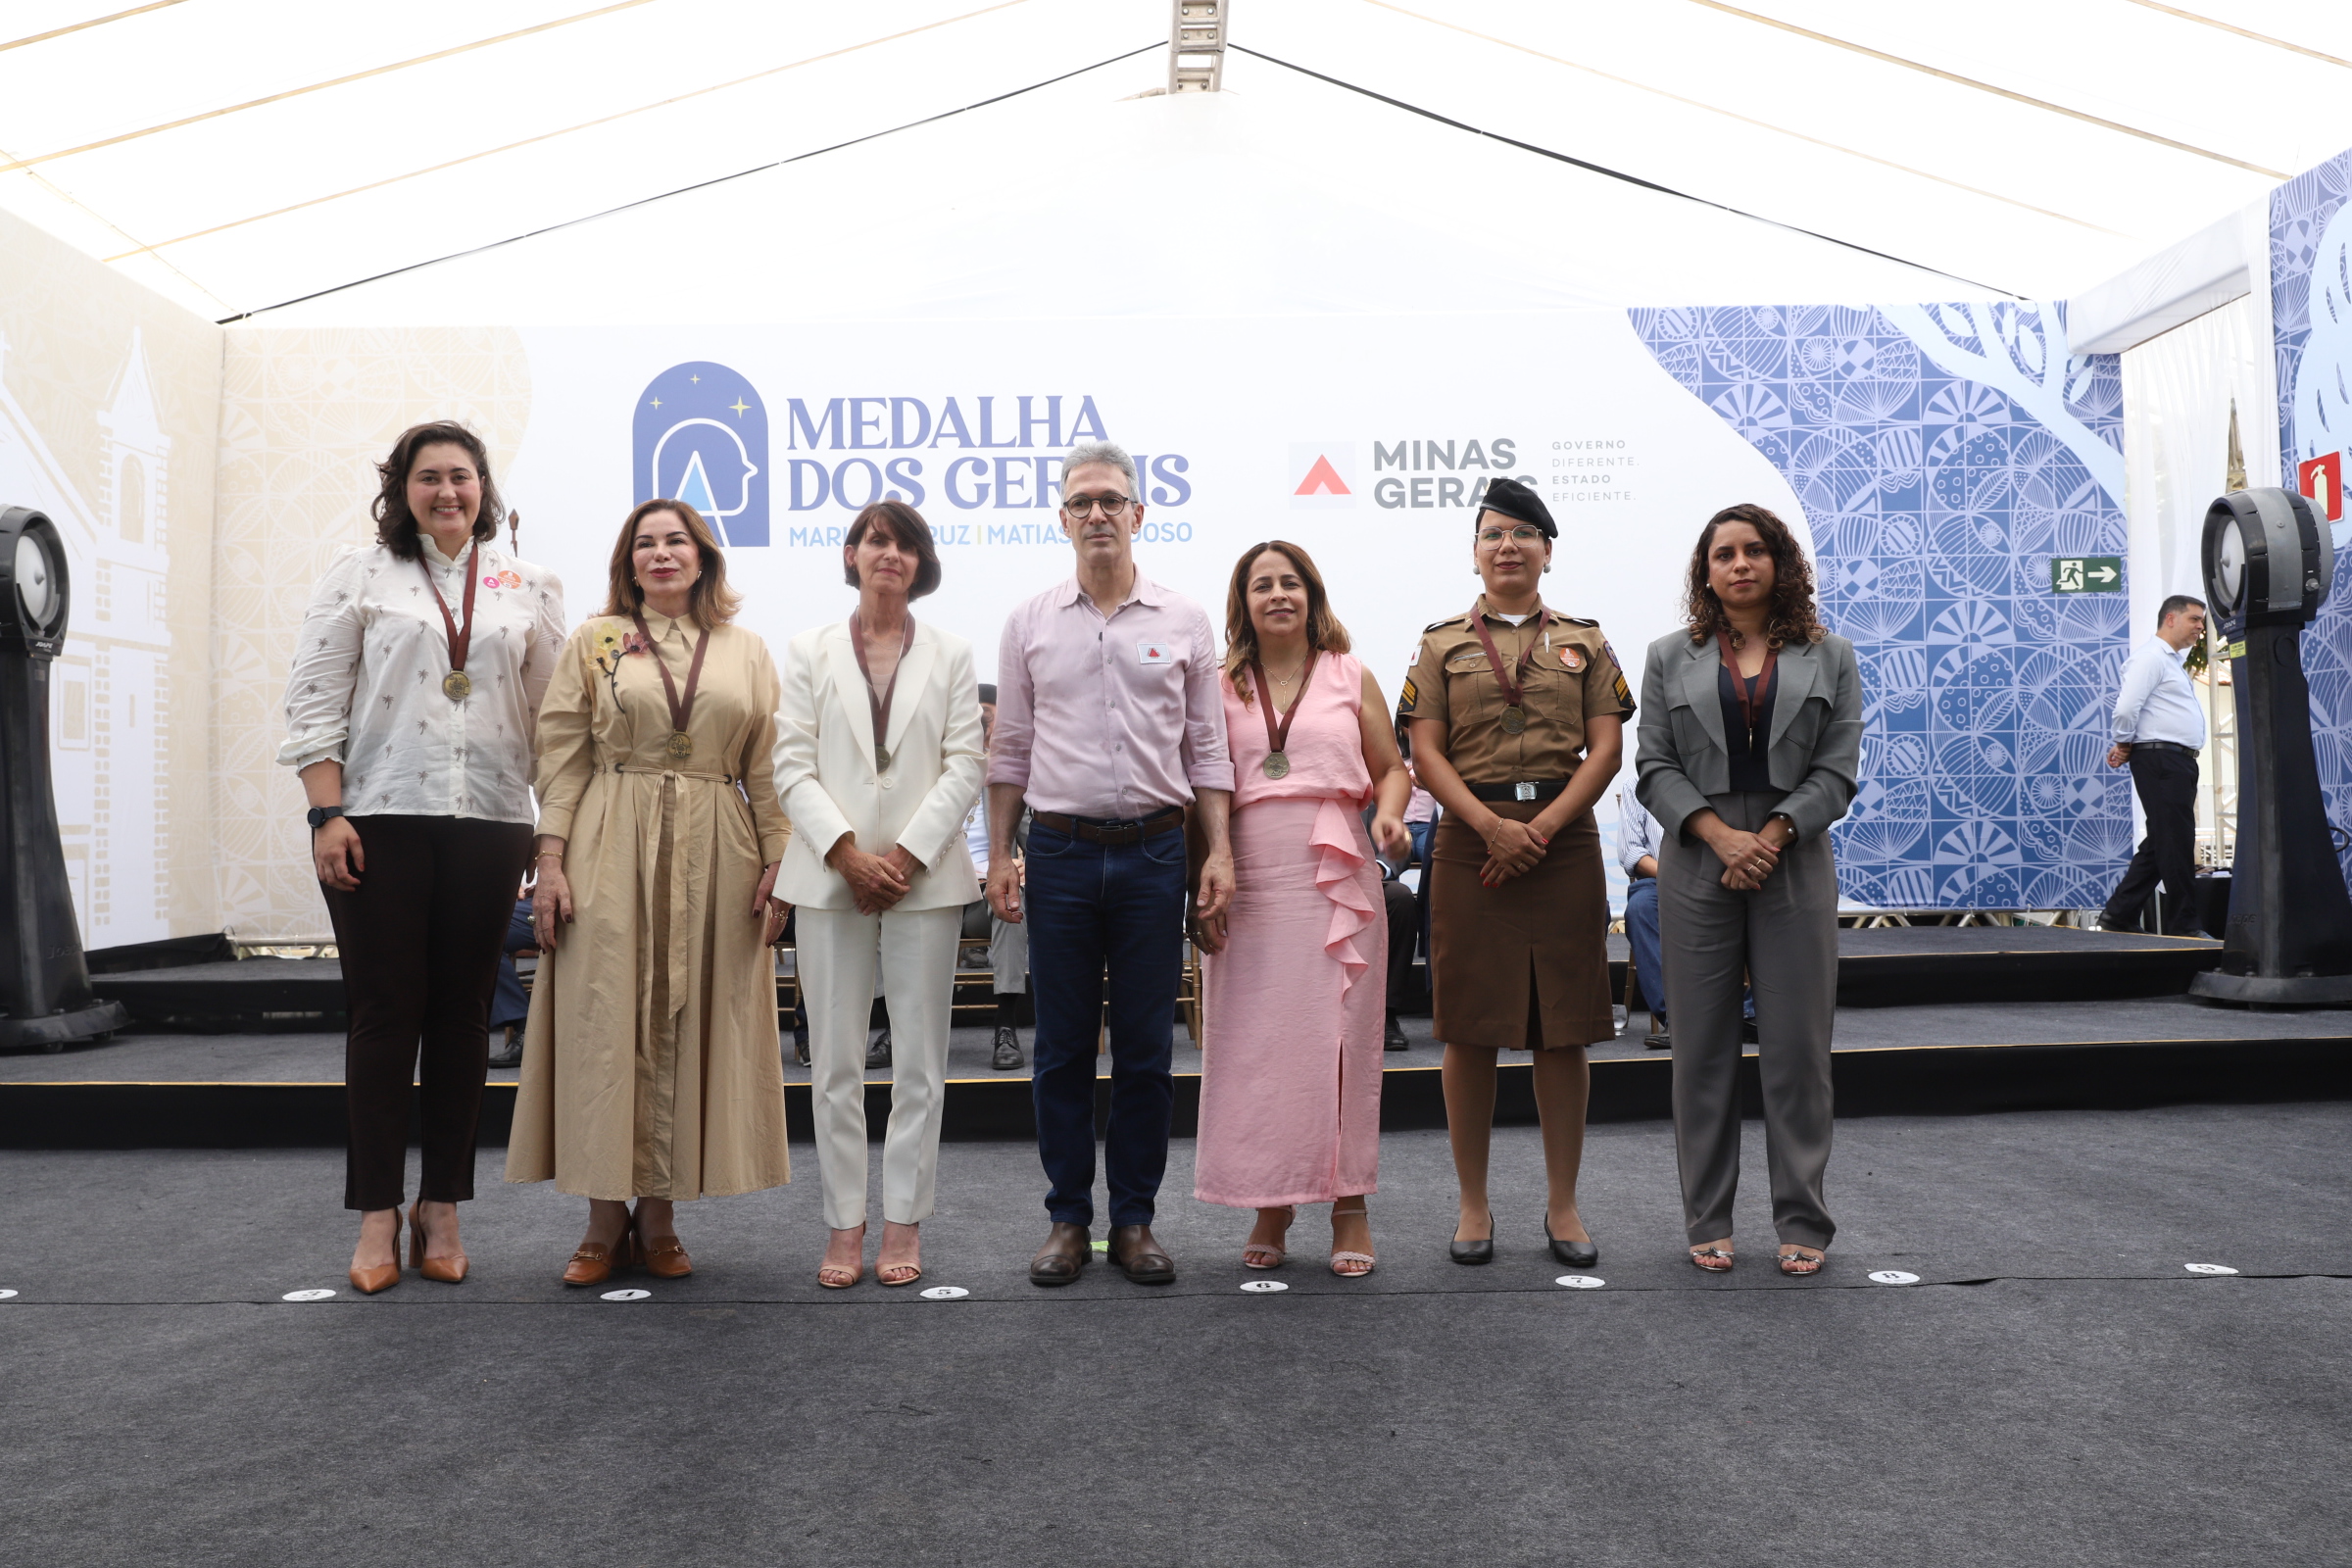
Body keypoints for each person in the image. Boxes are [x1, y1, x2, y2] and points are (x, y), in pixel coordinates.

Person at [280, 420, 564, 1296]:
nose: (448, 491)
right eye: (429, 476)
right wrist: (326, 814)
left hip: (491, 819)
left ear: (484, 487)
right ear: (401, 490)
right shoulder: (359, 574)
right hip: (377, 818)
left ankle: (440, 1206)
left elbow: (553, 723)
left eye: (462, 476)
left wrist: (552, 835)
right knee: (382, 1016)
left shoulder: (528, 584)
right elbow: (313, 699)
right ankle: (376, 1213)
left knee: (464, 1018)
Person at [506, 500, 792, 1285]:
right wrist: (551, 861)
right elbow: (562, 757)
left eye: (676, 541)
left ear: (703, 557)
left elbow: (766, 765)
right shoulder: (595, 641)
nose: (661, 554)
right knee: (602, 1017)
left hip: (717, 845)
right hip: (608, 837)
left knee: (689, 1015)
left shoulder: (746, 649)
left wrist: (779, 861)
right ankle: (603, 1218)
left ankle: (660, 1216)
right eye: (645, 544)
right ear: (628, 562)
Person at [987, 439, 1235, 1287]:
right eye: (1081, 502)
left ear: (1139, 513)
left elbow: (1207, 750)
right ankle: (1067, 1219)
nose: (1097, 513)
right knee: (1060, 1050)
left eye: (1111, 500)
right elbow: (1009, 751)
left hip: (1155, 856)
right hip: (1057, 854)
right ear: (1062, 519)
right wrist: (1000, 854)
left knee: (1144, 1050)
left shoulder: (1184, 620)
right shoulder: (1027, 622)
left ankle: (1133, 1221)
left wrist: (1218, 854)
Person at [1402, 477, 1629, 1271]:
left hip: (1561, 843)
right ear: (1474, 553)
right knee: (1470, 1030)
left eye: (1523, 534)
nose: (1508, 547)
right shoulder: (1440, 644)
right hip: (1472, 844)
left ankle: (1563, 1204)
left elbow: (1606, 748)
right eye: (1494, 534)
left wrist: (1541, 827)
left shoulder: (1585, 641)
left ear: (1547, 552)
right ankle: (1473, 1204)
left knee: (1562, 1030)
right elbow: (1425, 752)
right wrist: (1492, 826)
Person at [1635, 503, 1861, 1277]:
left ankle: (1803, 1219)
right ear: (1706, 571)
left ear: (1780, 562)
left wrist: (1768, 836)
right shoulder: (1668, 656)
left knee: (1798, 1051)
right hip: (1699, 858)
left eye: (1754, 550)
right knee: (1701, 1051)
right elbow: (1654, 767)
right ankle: (1708, 1218)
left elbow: (1837, 772)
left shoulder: (1831, 655)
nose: (1739, 564)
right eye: (1724, 553)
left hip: (1792, 857)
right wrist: (1720, 835)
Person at [774, 500, 985, 1289]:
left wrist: (900, 857)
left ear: (920, 562)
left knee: (919, 1067)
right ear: (851, 555)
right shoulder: (809, 649)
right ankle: (843, 1226)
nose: (887, 553)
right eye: (874, 540)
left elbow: (966, 762)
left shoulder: (952, 653)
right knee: (834, 1064)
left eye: (903, 544)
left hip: (921, 880)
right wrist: (846, 854)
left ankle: (902, 1222)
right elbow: (790, 764)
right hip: (831, 880)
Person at [1194, 541, 1411, 1276]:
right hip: (1246, 875)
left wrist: (1388, 816)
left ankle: (1350, 1205)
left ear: (1312, 595)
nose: (1278, 594)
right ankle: (1272, 1201)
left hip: (1336, 874)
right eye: (1262, 585)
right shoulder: (1218, 685)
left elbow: (1392, 770)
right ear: (1243, 603)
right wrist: (1207, 871)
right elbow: (1203, 785)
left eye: (1291, 582)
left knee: (1342, 1043)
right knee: (1259, 1046)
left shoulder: (1350, 673)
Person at [2099, 595, 2209, 936]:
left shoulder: (2171, 661)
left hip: (2175, 760)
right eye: (2194, 619)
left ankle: (2119, 914)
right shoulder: (2150, 657)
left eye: (2202, 620)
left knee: (2163, 840)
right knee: (2175, 840)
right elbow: (2126, 707)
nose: (2201, 627)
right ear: (2170, 619)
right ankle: (2184, 926)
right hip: (2162, 759)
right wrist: (2123, 741)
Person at [1616, 788, 1753, 1051]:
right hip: (1661, 879)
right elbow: (1631, 853)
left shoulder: (1722, 781)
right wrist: (1678, 876)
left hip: (1726, 877)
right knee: (1640, 907)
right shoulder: (1638, 784)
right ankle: (1680, 1018)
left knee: (1777, 895)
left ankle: (1747, 1014)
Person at [960, 683, 1031, 1071]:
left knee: (1011, 902)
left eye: (987, 716)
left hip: (986, 893)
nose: (982, 724)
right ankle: (890, 1029)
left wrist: (1029, 865)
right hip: (938, 891)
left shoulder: (1010, 779)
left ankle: (1006, 1025)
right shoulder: (933, 770)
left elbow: (1036, 840)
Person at [486, 879, 535, 1069]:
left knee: (483, 933)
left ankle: (527, 1030)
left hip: (570, 898)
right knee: (466, 927)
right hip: (524, 899)